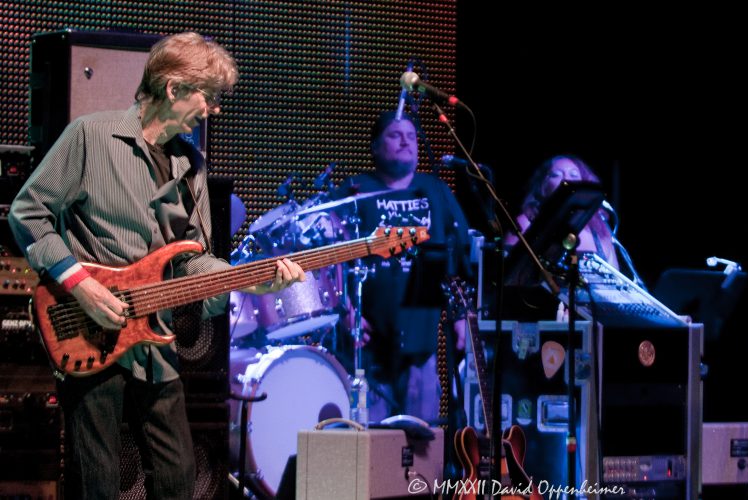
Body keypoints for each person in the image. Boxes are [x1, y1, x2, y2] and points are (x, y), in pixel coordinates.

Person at [8, 32, 304, 499]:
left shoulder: (192, 165)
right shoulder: (90, 135)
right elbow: (27, 213)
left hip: (153, 349)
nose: (214, 109)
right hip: (88, 335)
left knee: (177, 478)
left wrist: (250, 283)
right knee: (98, 485)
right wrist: (82, 285)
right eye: (209, 96)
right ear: (173, 89)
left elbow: (192, 261)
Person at [332, 109, 470, 422]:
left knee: (421, 435)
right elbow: (330, 258)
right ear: (376, 146)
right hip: (365, 342)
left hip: (420, 338)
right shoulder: (354, 189)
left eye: (411, 136)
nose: (406, 142)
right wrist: (345, 310)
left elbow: (459, 254)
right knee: (369, 439)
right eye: (395, 135)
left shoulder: (435, 190)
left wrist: (462, 316)